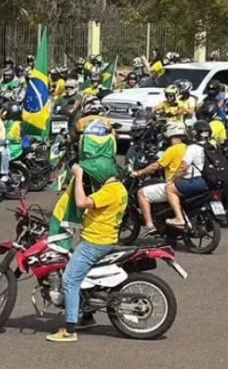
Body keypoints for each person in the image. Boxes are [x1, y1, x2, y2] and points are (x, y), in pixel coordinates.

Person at [46, 167, 127, 342]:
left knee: (70, 280)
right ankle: (87, 317)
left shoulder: (110, 191)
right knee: (81, 276)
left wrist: (78, 176)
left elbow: (81, 202)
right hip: (103, 239)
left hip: (94, 243)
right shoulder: (119, 188)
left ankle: (69, 330)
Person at [130, 123, 188, 233]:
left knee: (141, 193)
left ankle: (149, 225)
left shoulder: (173, 149)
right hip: (187, 183)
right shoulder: (188, 148)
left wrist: (139, 172)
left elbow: (156, 166)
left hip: (174, 185)